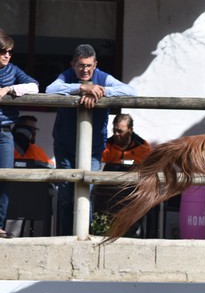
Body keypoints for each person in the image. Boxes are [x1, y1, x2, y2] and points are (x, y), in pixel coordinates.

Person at [46, 44, 136, 235]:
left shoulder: (103, 77)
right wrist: (81, 88)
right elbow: (49, 89)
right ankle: (65, 237)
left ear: (95, 65)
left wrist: (100, 91)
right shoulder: (66, 77)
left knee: (88, 191)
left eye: (88, 66)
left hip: (94, 147)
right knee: (66, 194)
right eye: (80, 66)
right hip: (65, 145)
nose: (85, 70)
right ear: (72, 65)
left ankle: (84, 236)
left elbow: (130, 91)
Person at [0, 29, 40, 237]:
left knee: (6, 177)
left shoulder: (13, 70)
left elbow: (34, 86)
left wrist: (9, 90)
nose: (7, 55)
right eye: (2, 51)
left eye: (10, 52)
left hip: (4, 133)